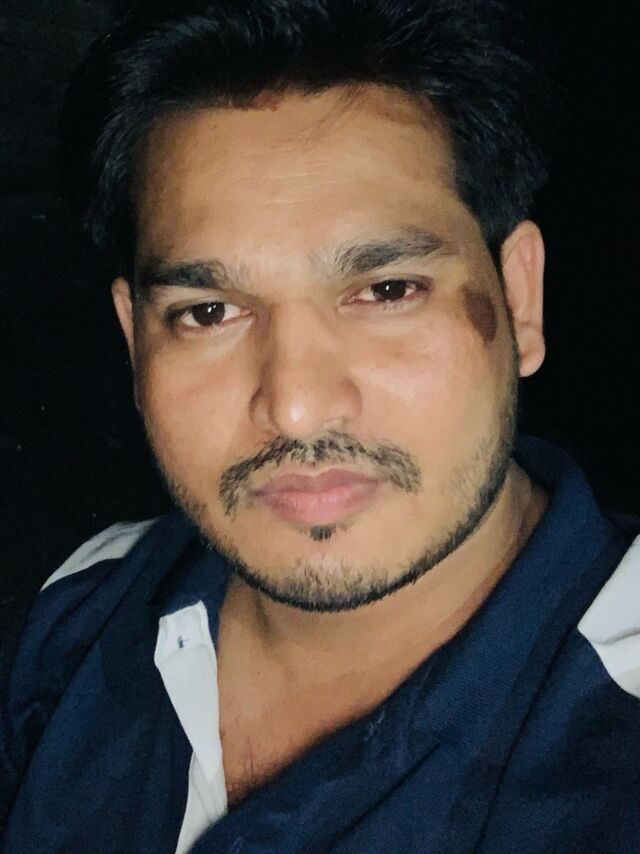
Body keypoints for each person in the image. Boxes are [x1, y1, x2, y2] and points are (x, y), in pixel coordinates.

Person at [1, 1, 639, 852]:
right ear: (134, 337)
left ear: (518, 298)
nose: (296, 407)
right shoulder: (85, 605)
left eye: (386, 291)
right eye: (208, 311)